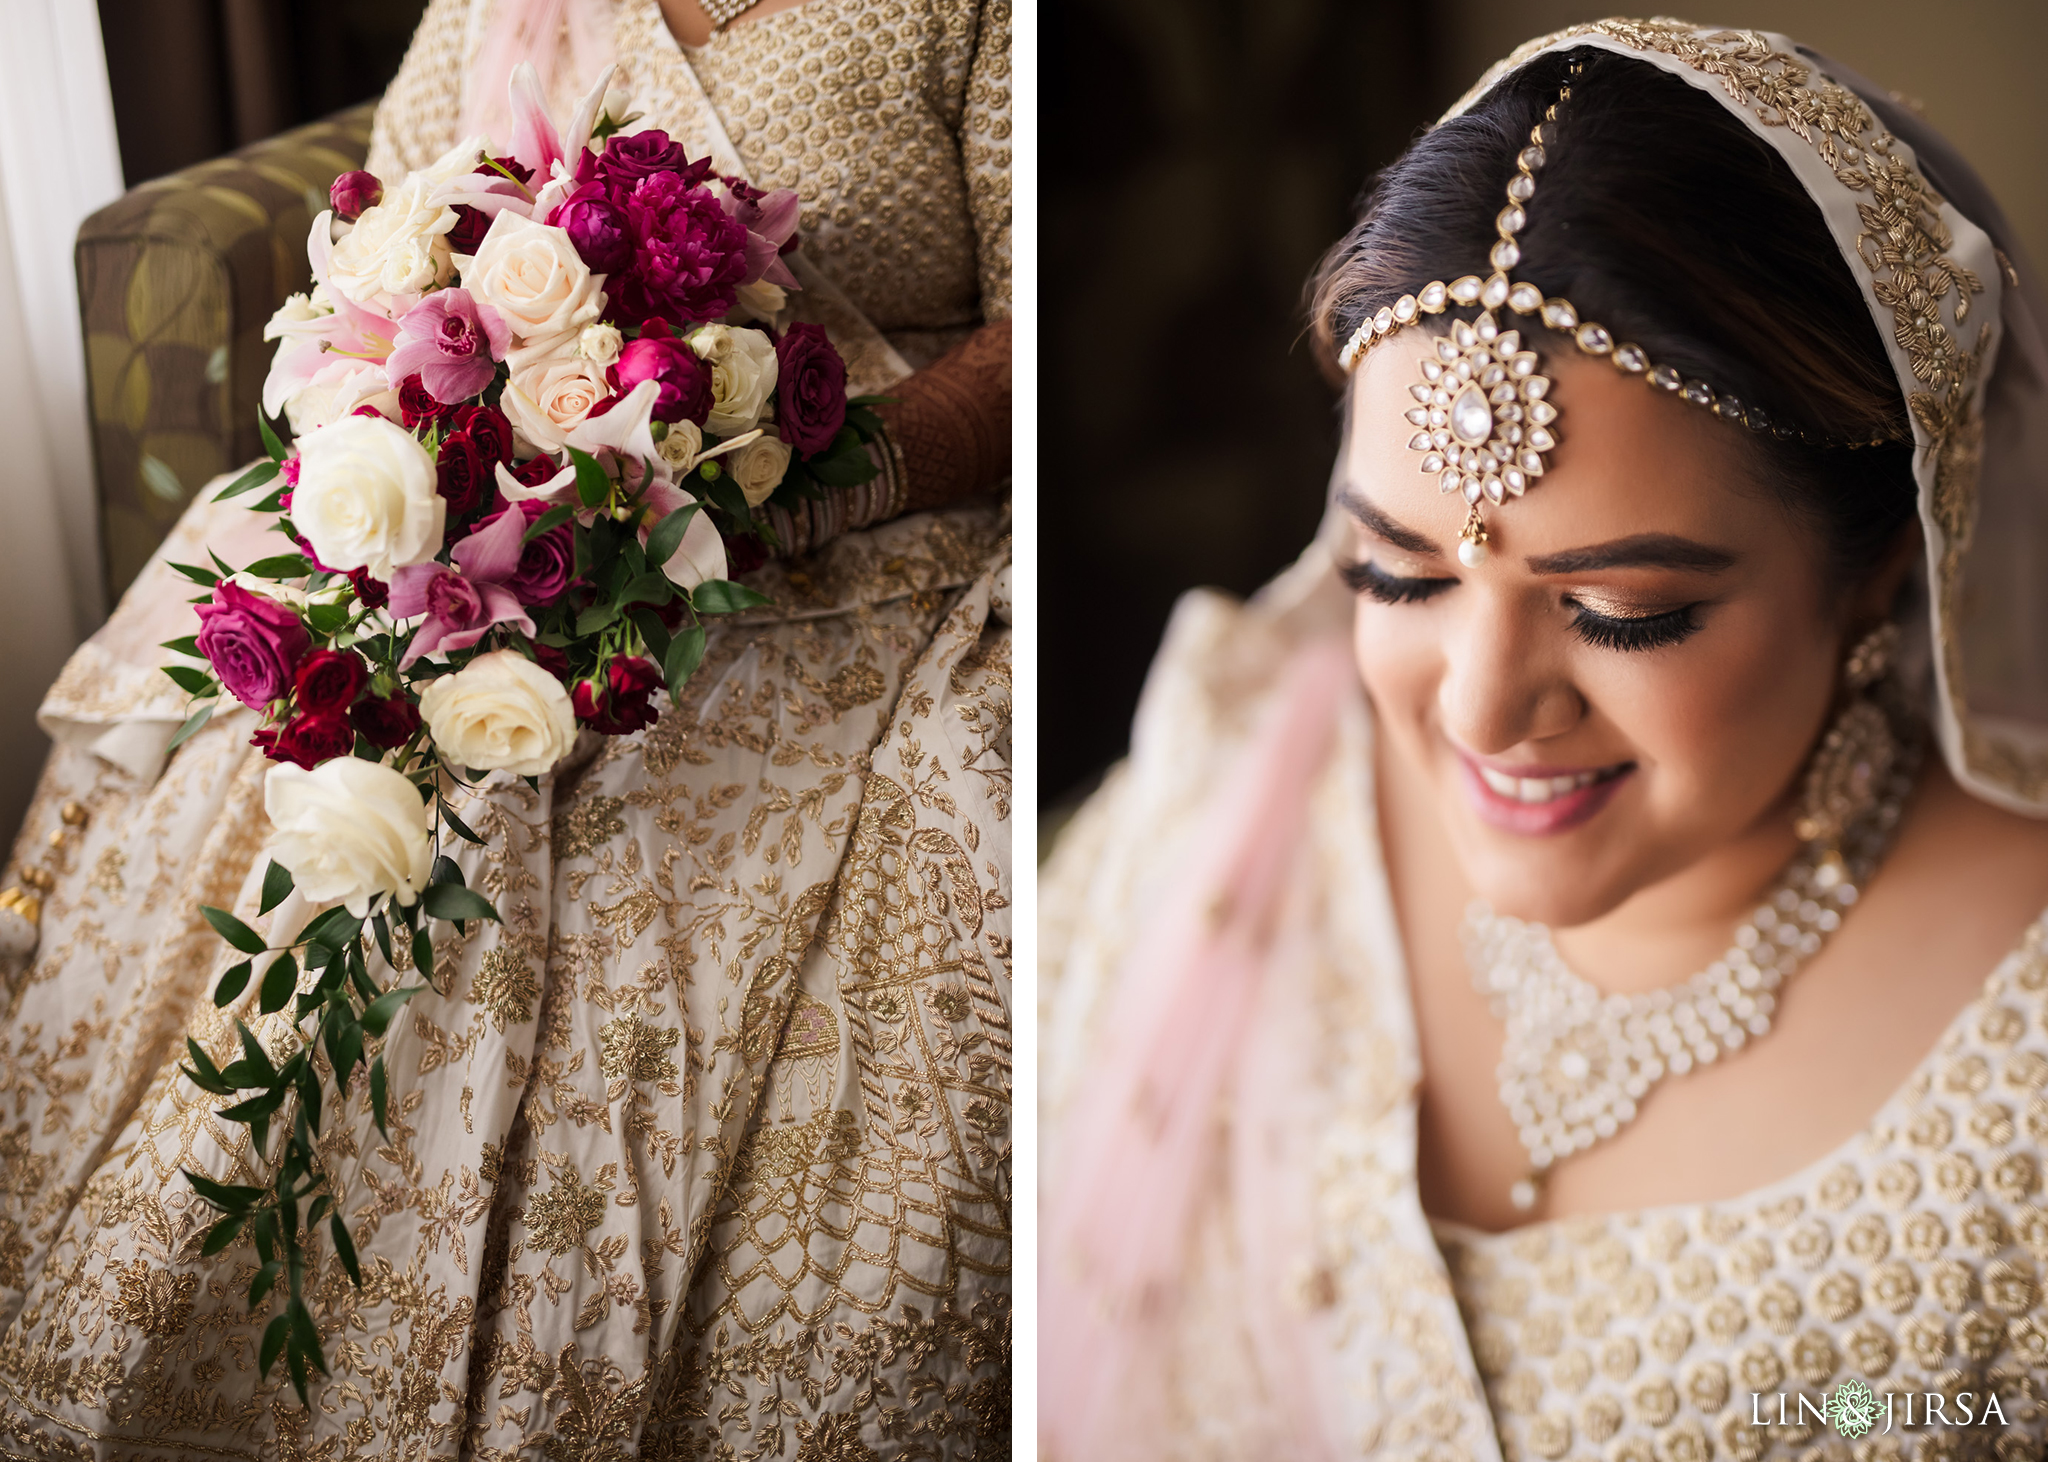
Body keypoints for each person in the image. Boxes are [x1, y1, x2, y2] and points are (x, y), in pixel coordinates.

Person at [0, 0, 1010, 1454]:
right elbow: (403, 217)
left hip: (837, 541)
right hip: (493, 513)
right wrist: (418, 418)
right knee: (330, 762)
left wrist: (801, 478)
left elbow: (1031, 326)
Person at [1042, 19, 2048, 1460]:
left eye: (1620, 611)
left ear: (1882, 562)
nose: (1477, 705)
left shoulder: (2022, 1086)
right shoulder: (1246, 786)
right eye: (1397, 575)